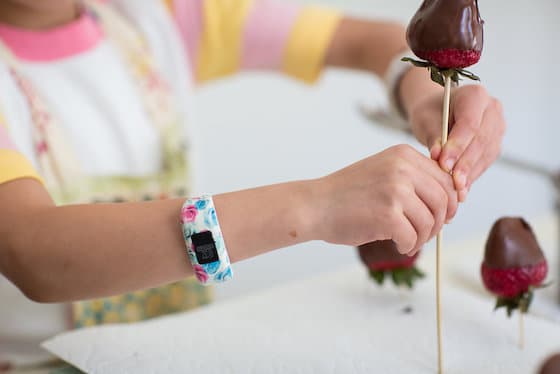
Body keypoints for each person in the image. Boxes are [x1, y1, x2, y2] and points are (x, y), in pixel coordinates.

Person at [0, 0, 505, 368]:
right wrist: (315, 206)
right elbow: (36, 253)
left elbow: (369, 42)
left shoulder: (155, 18)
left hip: (171, 353)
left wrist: (419, 92)